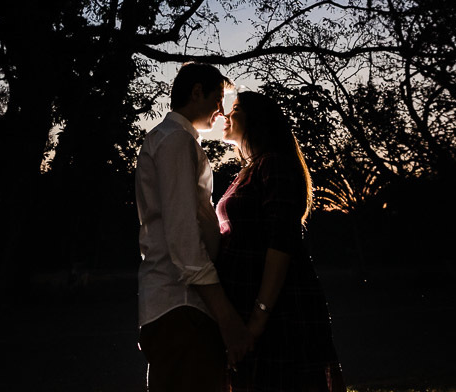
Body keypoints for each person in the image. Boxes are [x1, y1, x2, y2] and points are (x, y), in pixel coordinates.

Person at [136, 63, 253, 392]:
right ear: (196, 92)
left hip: (182, 307)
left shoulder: (176, 141)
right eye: (217, 99)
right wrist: (226, 315)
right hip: (182, 305)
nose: (220, 111)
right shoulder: (175, 142)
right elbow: (184, 241)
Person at [217, 90, 345, 392]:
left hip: (281, 312)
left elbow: (281, 243)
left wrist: (259, 317)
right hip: (251, 308)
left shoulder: (273, 164)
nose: (225, 115)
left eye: (234, 109)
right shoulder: (247, 171)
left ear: (254, 119)